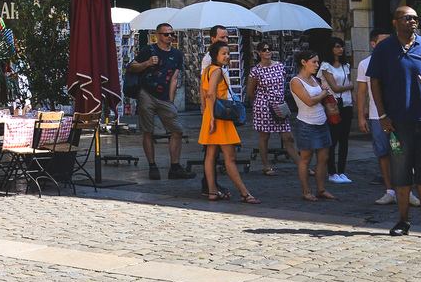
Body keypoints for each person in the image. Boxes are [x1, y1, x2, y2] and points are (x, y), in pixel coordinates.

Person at [368, 5, 421, 239]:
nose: (412, 21)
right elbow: (374, 82)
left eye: (415, 18)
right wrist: (382, 115)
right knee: (401, 173)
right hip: (399, 122)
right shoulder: (384, 49)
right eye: (407, 18)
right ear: (395, 22)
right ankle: (402, 221)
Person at [356, 29, 416, 208]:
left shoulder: (400, 60)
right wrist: (361, 116)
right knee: (383, 153)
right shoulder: (365, 64)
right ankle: (390, 190)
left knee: (403, 153)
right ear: (373, 44)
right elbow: (361, 92)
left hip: (401, 115)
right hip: (376, 116)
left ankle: (407, 190)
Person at [127, 23, 190, 181]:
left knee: (177, 130)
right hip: (147, 94)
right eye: (166, 34)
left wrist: (171, 100)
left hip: (164, 97)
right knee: (148, 131)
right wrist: (147, 63)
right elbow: (131, 66)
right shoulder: (149, 50)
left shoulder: (177, 54)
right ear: (158, 35)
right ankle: (152, 166)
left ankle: (174, 166)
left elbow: (174, 78)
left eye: (171, 34)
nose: (169, 37)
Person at [200, 40, 259, 203]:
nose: (227, 56)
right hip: (218, 117)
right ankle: (245, 193)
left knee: (210, 155)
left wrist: (206, 114)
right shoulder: (217, 71)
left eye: (229, 54)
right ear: (215, 55)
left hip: (211, 115)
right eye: (224, 53)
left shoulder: (207, 70)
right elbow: (211, 94)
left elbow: (204, 94)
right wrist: (212, 118)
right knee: (229, 158)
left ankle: (212, 191)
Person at [245, 39, 299, 176]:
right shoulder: (255, 71)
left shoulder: (280, 66)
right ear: (259, 53)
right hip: (263, 106)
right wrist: (260, 102)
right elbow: (250, 91)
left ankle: (301, 164)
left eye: (269, 49)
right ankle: (266, 165)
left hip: (280, 105)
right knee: (264, 136)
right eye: (264, 49)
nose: (267, 51)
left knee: (288, 137)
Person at [289, 49, 335, 201]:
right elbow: (308, 101)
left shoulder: (315, 79)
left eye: (318, 61)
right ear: (304, 62)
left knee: (323, 157)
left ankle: (321, 189)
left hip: (321, 120)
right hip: (306, 123)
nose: (317, 65)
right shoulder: (296, 81)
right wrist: (323, 94)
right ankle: (306, 190)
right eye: (314, 62)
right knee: (305, 158)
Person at [320, 37, 353, 185]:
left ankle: (342, 170)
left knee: (344, 139)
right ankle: (332, 171)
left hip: (346, 103)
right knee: (333, 138)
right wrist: (350, 86)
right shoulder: (326, 66)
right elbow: (335, 87)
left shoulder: (346, 65)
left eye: (341, 47)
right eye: (337, 47)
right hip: (333, 104)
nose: (340, 49)